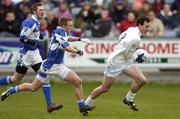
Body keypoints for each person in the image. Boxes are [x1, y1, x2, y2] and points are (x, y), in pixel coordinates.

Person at [1, 17, 95, 116]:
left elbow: (68, 38)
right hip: (49, 67)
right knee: (33, 87)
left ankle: (82, 107)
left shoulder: (61, 32)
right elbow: (66, 47)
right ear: (63, 26)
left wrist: (80, 39)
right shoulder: (60, 32)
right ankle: (11, 90)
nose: (71, 27)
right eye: (70, 26)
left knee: (77, 81)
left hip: (58, 66)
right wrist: (77, 51)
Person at [0, 2, 61, 113]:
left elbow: (29, 34)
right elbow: (22, 38)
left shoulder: (36, 22)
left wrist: (38, 35)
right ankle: (10, 90)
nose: (43, 12)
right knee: (15, 79)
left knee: (44, 76)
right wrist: (36, 41)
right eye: (40, 10)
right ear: (34, 11)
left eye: (43, 10)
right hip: (27, 55)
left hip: (35, 54)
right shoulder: (30, 22)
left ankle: (50, 105)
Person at [85, 16, 150, 111]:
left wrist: (133, 52)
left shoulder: (131, 29)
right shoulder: (136, 38)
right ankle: (86, 104)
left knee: (141, 80)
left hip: (125, 60)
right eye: (146, 26)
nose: (148, 29)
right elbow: (128, 54)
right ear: (140, 25)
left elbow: (121, 39)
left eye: (148, 26)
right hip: (116, 62)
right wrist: (137, 57)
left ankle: (129, 99)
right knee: (104, 88)